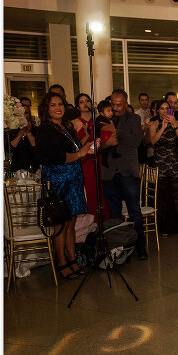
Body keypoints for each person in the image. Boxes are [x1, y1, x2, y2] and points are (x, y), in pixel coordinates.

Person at [35, 92, 93, 279]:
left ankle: (72, 258)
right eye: (53, 105)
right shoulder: (45, 129)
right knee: (60, 225)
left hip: (73, 180)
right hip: (59, 181)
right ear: (46, 109)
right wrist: (80, 155)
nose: (58, 107)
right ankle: (61, 262)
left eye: (60, 104)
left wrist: (87, 148)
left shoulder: (65, 127)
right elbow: (55, 157)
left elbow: (76, 149)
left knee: (71, 223)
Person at [102, 89, 148, 260]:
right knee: (114, 213)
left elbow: (136, 141)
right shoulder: (105, 118)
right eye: (113, 104)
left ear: (126, 103)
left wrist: (116, 131)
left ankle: (140, 247)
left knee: (134, 211)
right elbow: (101, 144)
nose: (115, 107)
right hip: (109, 172)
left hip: (128, 172)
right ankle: (119, 250)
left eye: (119, 104)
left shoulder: (134, 119)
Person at [148, 100, 178, 236]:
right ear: (157, 111)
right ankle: (164, 227)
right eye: (162, 109)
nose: (164, 111)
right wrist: (163, 127)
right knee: (162, 196)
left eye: (167, 108)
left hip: (175, 162)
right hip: (160, 162)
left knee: (176, 194)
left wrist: (174, 123)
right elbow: (152, 141)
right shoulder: (153, 124)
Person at [72, 93, 111, 221]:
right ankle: (90, 220)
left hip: (99, 156)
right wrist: (87, 134)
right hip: (86, 160)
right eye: (82, 102)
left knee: (101, 187)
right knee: (90, 188)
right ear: (78, 106)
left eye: (87, 101)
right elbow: (77, 145)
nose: (85, 104)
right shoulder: (75, 122)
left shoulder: (99, 119)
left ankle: (104, 218)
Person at [8, 105, 38, 173]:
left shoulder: (35, 129)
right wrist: (20, 133)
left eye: (26, 112)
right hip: (16, 168)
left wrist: (28, 132)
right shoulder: (12, 130)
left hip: (32, 167)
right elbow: (10, 148)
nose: (24, 115)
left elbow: (36, 147)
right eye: (22, 113)